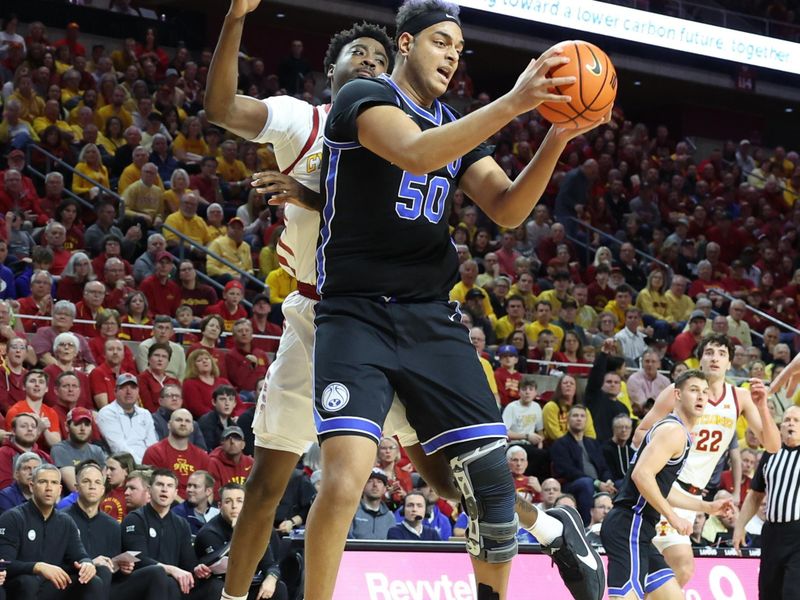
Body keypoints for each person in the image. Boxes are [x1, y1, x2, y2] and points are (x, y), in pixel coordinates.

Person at [211, 5, 606, 600]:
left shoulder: (449, 121)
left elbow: (506, 209)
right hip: (343, 311)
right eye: (440, 41)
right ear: (403, 44)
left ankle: (546, 531)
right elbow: (416, 153)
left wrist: (556, 134)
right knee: (332, 481)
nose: (451, 55)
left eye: (458, 47)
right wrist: (517, 103)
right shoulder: (356, 99)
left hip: (426, 314)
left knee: (476, 483)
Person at [633, 334, 781, 587]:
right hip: (666, 486)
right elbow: (639, 434)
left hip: (694, 498)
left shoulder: (739, 398)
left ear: (730, 363)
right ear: (699, 360)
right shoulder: (677, 392)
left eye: (722, 354)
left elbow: (773, 445)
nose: (715, 358)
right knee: (680, 566)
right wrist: (673, 439)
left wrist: (763, 407)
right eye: (709, 352)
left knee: (676, 572)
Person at [601, 371, 733, 600]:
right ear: (677, 395)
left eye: (704, 392)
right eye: (694, 390)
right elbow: (641, 476)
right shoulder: (673, 431)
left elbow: (662, 488)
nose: (701, 396)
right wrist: (673, 517)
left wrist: (707, 507)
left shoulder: (679, 432)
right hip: (629, 525)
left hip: (640, 530)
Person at [65, 460, 172, 600]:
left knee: (156, 572)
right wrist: (91, 563)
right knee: (101, 572)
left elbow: (114, 568)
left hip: (109, 586)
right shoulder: (63, 519)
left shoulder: (113, 525)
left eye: (97, 482)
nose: (92, 486)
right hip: (75, 583)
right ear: (77, 488)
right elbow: (55, 562)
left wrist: (123, 568)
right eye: (86, 481)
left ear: (103, 489)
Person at [0, 463, 102, 598]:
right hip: (21, 585)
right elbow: (5, 564)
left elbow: (79, 555)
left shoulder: (66, 521)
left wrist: (87, 563)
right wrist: (38, 567)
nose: (49, 488)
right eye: (43, 482)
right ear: (31, 486)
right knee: (28, 582)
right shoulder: (13, 517)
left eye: (54, 483)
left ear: (60, 489)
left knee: (93, 581)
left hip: (52, 586)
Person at [121, 469, 222, 599]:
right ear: (150, 490)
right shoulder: (135, 518)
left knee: (215, 586)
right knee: (160, 576)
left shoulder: (181, 524)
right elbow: (138, 559)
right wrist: (171, 569)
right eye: (159, 485)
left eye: (169, 486)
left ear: (175, 493)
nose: (164, 489)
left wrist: (197, 570)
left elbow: (188, 564)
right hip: (141, 584)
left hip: (173, 585)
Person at [733, 406, 800, 599]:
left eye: (796, 420)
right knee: (769, 592)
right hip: (772, 532)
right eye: (787, 420)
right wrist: (740, 526)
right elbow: (755, 494)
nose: (791, 424)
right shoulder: (771, 453)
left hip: (798, 534)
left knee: (792, 593)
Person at [194, 483, 289, 600]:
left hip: (251, 582)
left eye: (239, 501)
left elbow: (269, 563)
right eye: (228, 501)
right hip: (221, 583)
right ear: (220, 506)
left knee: (278, 587)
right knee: (217, 588)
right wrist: (239, 534)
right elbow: (221, 567)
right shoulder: (208, 532)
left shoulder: (256, 527)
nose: (234, 506)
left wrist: (271, 579)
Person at [550, 406, 616, 525]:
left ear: (586, 420)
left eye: (582, 416)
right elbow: (568, 471)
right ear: (568, 420)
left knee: (622, 484)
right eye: (575, 416)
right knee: (586, 483)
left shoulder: (592, 443)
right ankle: (586, 526)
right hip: (574, 485)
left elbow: (604, 467)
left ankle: (621, 526)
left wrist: (608, 481)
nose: (579, 419)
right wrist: (596, 483)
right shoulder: (560, 444)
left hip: (599, 483)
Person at [142, 409, 209, 499]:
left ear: (193, 427)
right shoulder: (154, 452)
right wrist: (183, 507)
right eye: (178, 420)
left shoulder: (202, 457)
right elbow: (152, 487)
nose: (183, 424)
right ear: (169, 425)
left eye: (187, 421)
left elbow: (208, 489)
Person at [96, 374, 158, 463]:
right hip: (122, 464)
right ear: (115, 391)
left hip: (148, 464)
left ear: (138, 391)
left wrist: (152, 463)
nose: (129, 392)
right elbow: (118, 447)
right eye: (123, 387)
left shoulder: (145, 414)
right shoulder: (107, 413)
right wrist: (142, 465)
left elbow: (152, 444)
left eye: (133, 387)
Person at [49, 407, 106, 491]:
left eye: (87, 424)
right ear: (66, 426)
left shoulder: (97, 450)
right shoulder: (60, 449)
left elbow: (103, 484)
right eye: (77, 424)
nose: (83, 428)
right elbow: (75, 487)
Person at [0, 413, 51, 489]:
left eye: (33, 427)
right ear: (13, 431)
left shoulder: (44, 456)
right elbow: (4, 487)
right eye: (23, 426)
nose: (30, 429)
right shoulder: (3, 453)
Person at [348, 468, 396, 540]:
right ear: (362, 487)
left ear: (384, 489)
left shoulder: (390, 517)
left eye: (379, 482)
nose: (375, 485)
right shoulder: (351, 512)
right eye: (370, 481)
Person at [207, 425, 254, 500]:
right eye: (228, 439)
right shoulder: (213, 463)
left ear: (243, 445)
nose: (232, 442)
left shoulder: (250, 463)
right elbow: (215, 496)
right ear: (222, 443)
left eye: (237, 438)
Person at [135, 316, 187, 380]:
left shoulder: (179, 349)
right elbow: (144, 374)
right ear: (153, 330)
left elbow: (182, 376)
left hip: (174, 385)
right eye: (160, 327)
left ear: (172, 332)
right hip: (151, 384)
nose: (163, 331)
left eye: (167, 328)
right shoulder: (144, 347)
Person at [172, 470, 220, 535]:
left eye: (195, 486)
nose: (190, 490)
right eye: (189, 485)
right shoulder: (177, 514)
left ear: (208, 491)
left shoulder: (217, 514)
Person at [603, 414, 634, 488]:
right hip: (613, 484)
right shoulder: (605, 449)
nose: (624, 430)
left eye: (627, 427)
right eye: (620, 427)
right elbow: (604, 470)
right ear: (613, 429)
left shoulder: (631, 452)